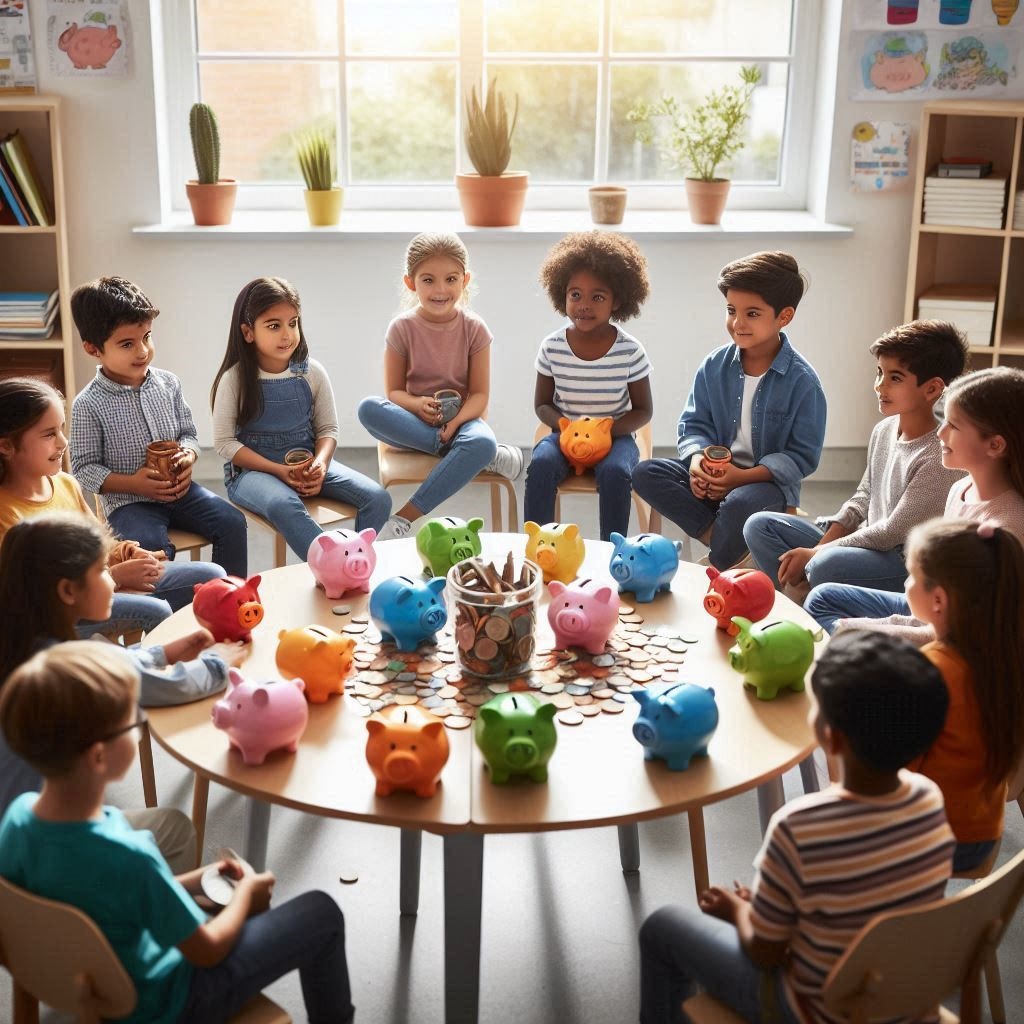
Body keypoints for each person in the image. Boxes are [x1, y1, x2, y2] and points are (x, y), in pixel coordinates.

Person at [0, 642, 354, 1024]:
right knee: (321, 912)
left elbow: (109, 894)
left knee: (221, 893)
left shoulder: (18, 819)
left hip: (93, 977)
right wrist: (245, 896)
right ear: (98, 756)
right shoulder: (129, 856)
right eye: (133, 721)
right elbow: (208, 951)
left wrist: (201, 880)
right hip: (168, 1001)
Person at [639, 630, 954, 1024]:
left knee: (660, 927)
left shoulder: (798, 826)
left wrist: (737, 909)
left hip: (814, 1009)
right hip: (903, 1000)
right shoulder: (930, 799)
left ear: (830, 736)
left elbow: (765, 952)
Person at [0, 515, 244, 836]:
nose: (112, 581)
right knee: (178, 830)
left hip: (14, 828)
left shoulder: (28, 645)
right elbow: (176, 686)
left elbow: (116, 663)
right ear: (67, 591)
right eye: (102, 570)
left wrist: (164, 653)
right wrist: (220, 661)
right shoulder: (77, 665)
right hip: (47, 840)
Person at [743, 319, 967, 599]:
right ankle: (800, 596)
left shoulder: (937, 457)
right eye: (879, 373)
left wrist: (816, 553)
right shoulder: (884, 430)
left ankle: (806, 593)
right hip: (866, 544)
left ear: (932, 389)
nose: (879, 386)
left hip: (902, 563)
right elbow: (863, 497)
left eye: (894, 378)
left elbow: (890, 533)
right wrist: (822, 544)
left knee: (825, 565)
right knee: (759, 525)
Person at [632, 251, 824, 569]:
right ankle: (723, 541)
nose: (737, 322)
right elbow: (694, 424)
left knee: (738, 504)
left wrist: (741, 477)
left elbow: (802, 457)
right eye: (731, 310)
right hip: (715, 476)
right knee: (645, 473)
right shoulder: (714, 366)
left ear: (784, 316)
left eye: (752, 313)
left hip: (764, 486)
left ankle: (716, 564)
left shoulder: (803, 382)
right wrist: (697, 463)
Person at [806, 366, 1024, 636]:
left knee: (837, 626)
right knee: (821, 599)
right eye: (944, 420)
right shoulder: (960, 489)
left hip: (957, 641)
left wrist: (856, 632)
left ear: (995, 445)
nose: (941, 433)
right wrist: (864, 627)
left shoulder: (1008, 526)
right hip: (931, 611)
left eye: (953, 426)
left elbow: (955, 634)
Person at [0, 377, 224, 639]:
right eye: (49, 434)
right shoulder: (8, 513)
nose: (63, 442)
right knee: (157, 611)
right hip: (59, 614)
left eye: (62, 429)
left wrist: (128, 553)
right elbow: (39, 596)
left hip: (101, 581)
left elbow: (99, 544)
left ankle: (180, 660)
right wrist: (115, 577)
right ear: (5, 446)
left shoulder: (64, 484)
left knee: (212, 575)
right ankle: (159, 671)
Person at [69, 275, 248, 578]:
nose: (142, 351)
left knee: (231, 521)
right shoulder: (88, 404)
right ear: (93, 349)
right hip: (129, 504)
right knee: (147, 547)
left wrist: (189, 456)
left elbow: (188, 434)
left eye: (147, 337)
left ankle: (232, 599)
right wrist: (135, 484)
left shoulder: (168, 383)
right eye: (127, 344)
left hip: (182, 493)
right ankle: (168, 613)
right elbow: (84, 469)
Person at [358, 232, 524, 541]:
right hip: (416, 424)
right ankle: (474, 455)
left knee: (481, 440)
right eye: (428, 280)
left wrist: (458, 421)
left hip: (464, 422)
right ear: (411, 283)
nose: (441, 290)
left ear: (465, 280)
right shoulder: (402, 328)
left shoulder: (474, 328)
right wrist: (417, 404)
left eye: (450, 279)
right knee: (368, 409)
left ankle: (404, 518)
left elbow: (479, 395)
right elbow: (393, 393)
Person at [212, 275, 390, 560]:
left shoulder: (312, 373)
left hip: (307, 462)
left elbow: (328, 429)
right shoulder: (234, 380)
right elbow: (224, 444)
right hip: (252, 474)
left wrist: (320, 464)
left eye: (293, 323)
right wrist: (278, 470)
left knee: (378, 498)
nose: (287, 334)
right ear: (248, 332)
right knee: (285, 504)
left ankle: (359, 559)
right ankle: (333, 565)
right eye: (274, 326)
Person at [901, 518, 1024, 873]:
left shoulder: (934, 670)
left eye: (910, 576)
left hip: (937, 839)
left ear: (937, 599)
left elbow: (902, 767)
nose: (906, 584)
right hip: (985, 830)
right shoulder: (1004, 659)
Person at [524, 231, 653, 541]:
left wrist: (607, 431)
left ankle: (613, 549)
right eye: (575, 294)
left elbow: (643, 410)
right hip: (565, 435)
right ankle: (537, 544)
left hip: (616, 437)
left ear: (617, 300)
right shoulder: (552, 346)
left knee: (615, 473)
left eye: (597, 297)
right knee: (540, 463)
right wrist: (565, 427)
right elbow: (542, 404)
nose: (583, 305)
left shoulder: (630, 351)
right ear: (562, 295)